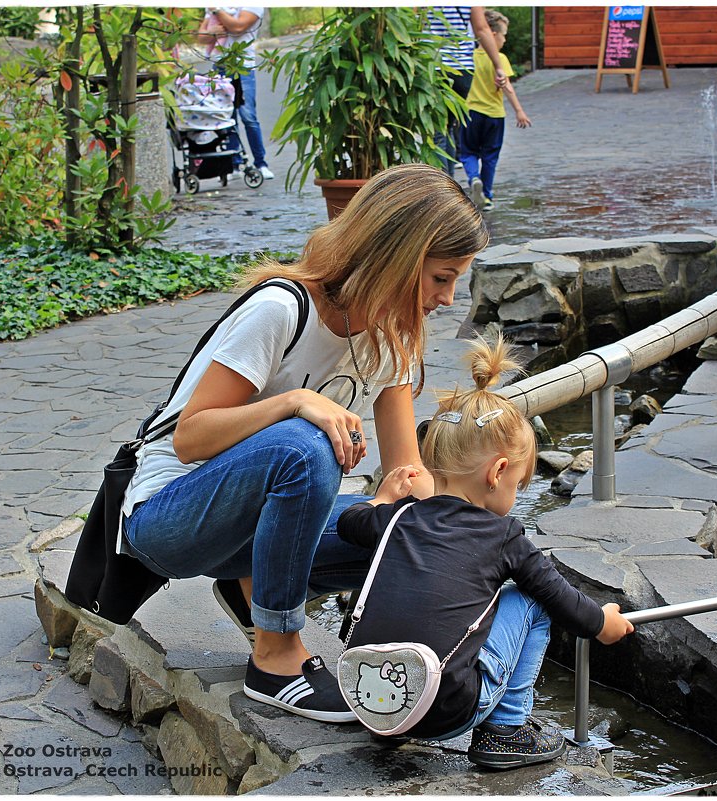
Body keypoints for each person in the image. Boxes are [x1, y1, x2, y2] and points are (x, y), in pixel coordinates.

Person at [119, 164, 489, 722]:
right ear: (395, 256)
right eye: (441, 277)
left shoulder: (392, 335)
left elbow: (406, 469)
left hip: (257, 532)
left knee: (431, 535)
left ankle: (311, 621)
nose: (449, 297)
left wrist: (422, 500)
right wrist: (295, 403)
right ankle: (275, 660)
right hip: (169, 516)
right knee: (303, 443)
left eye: (456, 279)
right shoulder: (281, 309)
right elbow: (190, 438)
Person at [335, 334, 634, 769]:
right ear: (497, 473)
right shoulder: (504, 535)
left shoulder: (400, 518)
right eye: (517, 484)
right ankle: (505, 731)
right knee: (527, 600)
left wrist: (381, 500)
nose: (514, 495)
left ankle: (396, 722)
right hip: (445, 709)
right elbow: (560, 598)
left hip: (370, 699)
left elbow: (350, 523)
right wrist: (601, 623)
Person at [460, 10, 532, 211]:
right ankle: (488, 196)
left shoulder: (469, 57)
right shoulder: (499, 59)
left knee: (468, 152)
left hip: (471, 112)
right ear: (492, 34)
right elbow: (507, 86)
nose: (505, 40)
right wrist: (519, 111)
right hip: (495, 115)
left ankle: (474, 178)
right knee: (490, 157)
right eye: (503, 35)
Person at [427, 6, 509, 174]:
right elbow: (482, 28)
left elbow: (414, 23)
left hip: (432, 66)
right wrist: (498, 66)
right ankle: (449, 187)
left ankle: (442, 193)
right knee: (448, 128)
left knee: (436, 133)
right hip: (462, 69)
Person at [198, 7, 274, 179]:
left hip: (243, 67)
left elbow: (238, 27)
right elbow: (201, 37)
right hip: (219, 65)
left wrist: (217, 12)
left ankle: (260, 163)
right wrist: (213, 31)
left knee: (248, 116)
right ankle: (234, 164)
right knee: (226, 117)